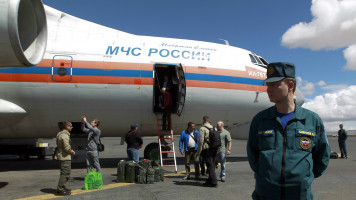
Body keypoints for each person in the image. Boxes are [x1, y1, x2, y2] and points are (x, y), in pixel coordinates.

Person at [247, 62, 330, 200]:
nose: (269, 89)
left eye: (274, 84)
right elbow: (253, 154)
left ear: (290, 86)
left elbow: (322, 156)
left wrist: (303, 179)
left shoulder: (312, 120)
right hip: (266, 195)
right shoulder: (260, 120)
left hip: (299, 196)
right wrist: (266, 177)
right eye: (268, 85)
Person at [54, 121, 75, 196]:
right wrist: (71, 151)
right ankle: (60, 189)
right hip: (64, 156)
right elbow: (66, 147)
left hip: (61, 155)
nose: (71, 127)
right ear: (66, 127)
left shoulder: (61, 134)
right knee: (65, 173)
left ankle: (62, 187)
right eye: (70, 126)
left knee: (64, 172)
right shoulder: (64, 135)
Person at [197, 116, 218, 187]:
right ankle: (209, 180)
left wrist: (198, 152)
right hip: (214, 148)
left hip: (207, 149)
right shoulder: (214, 127)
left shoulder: (202, 128)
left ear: (203, 121)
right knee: (212, 164)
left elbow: (200, 141)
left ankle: (214, 182)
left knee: (209, 165)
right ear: (209, 121)